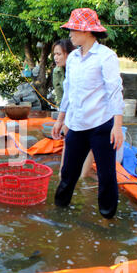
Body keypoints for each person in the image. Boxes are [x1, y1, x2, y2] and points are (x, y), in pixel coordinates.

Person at [52, 8, 125, 220]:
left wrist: (117, 126)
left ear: (88, 31)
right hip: (76, 124)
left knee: (106, 175)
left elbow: (114, 91)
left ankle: (107, 219)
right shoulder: (73, 57)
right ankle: (59, 212)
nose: (70, 34)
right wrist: (60, 119)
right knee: (68, 173)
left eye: (74, 29)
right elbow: (68, 90)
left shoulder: (106, 56)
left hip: (101, 125)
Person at [53, 39, 94, 179]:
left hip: (91, 110)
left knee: (91, 144)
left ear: (69, 54)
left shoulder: (83, 67)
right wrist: (63, 119)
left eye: (59, 54)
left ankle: (83, 177)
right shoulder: (58, 72)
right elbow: (63, 97)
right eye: (54, 54)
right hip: (72, 109)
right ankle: (64, 174)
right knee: (68, 138)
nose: (56, 57)